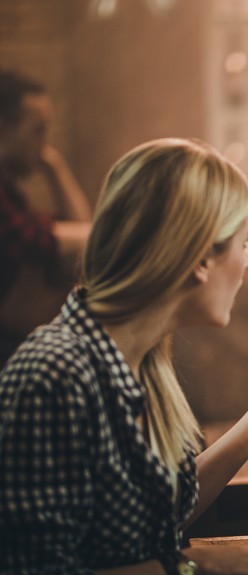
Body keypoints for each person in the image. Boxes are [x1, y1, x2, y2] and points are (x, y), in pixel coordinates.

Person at [0, 138, 248, 575]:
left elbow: (158, 520)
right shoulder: (53, 373)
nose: (246, 263)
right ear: (203, 258)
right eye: (244, 243)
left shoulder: (143, 362)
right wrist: (187, 570)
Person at [0, 70, 91, 366]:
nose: (45, 144)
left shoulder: (11, 197)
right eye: (38, 131)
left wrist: (55, 166)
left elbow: (79, 229)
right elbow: (23, 238)